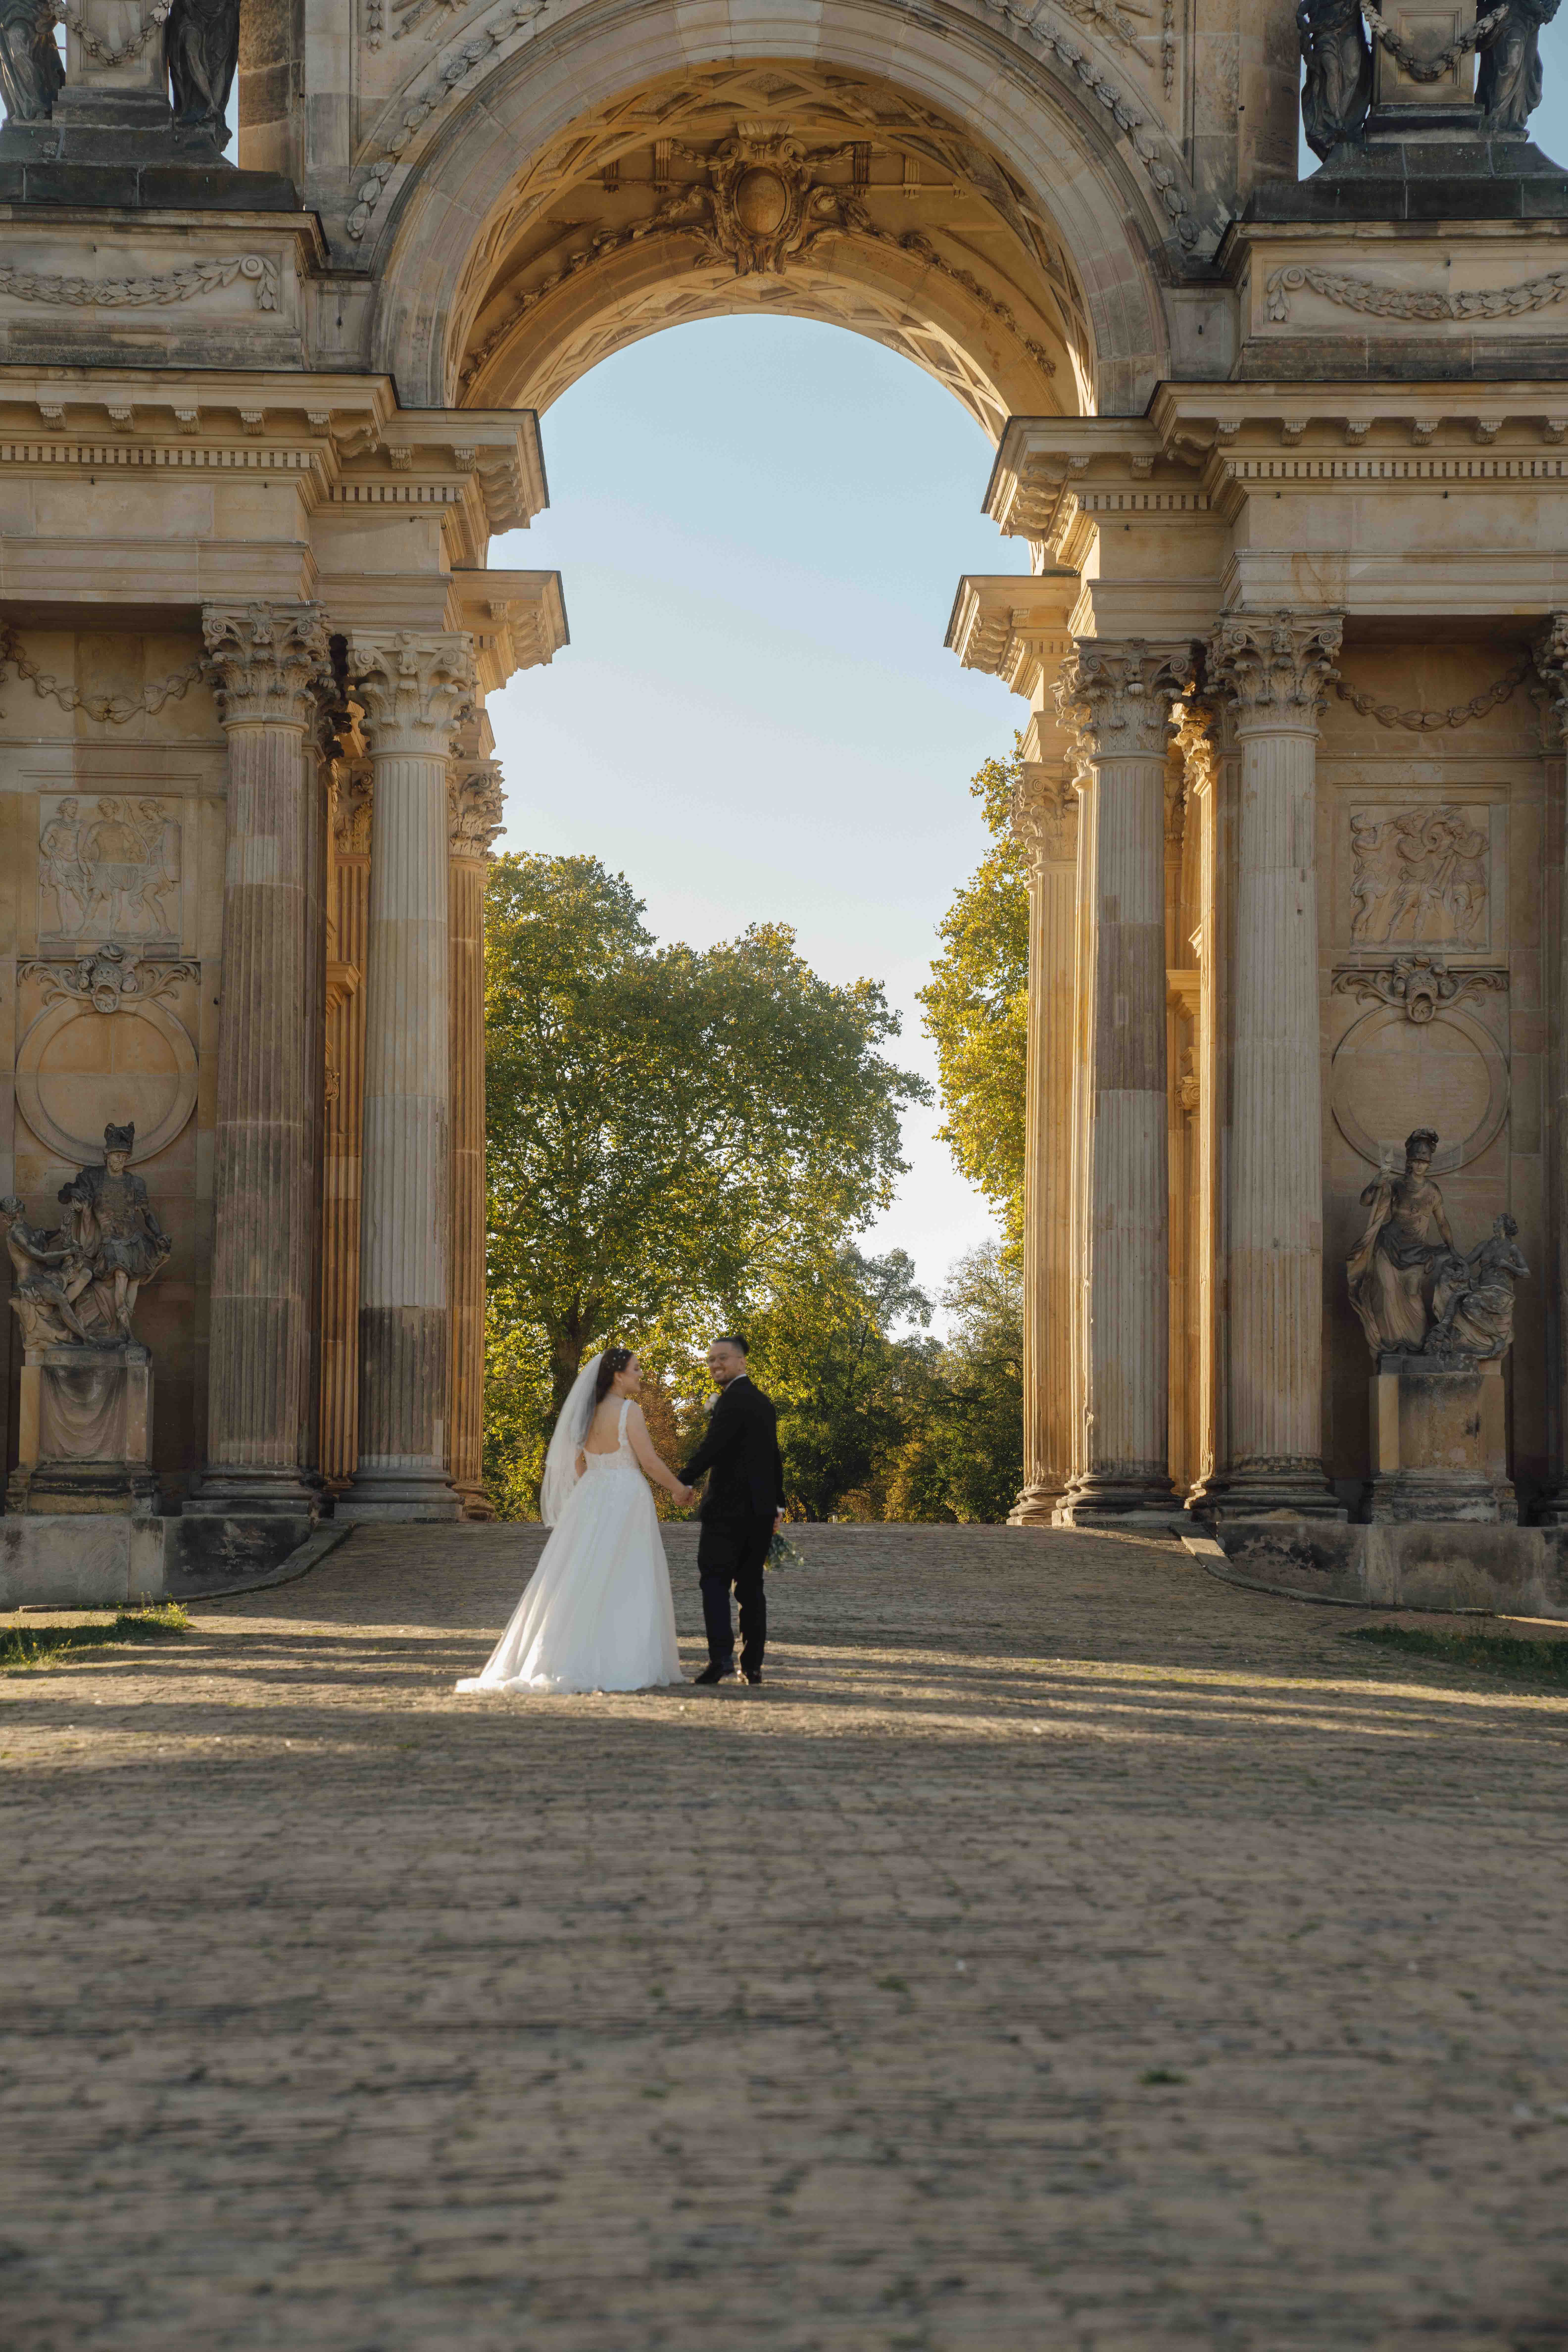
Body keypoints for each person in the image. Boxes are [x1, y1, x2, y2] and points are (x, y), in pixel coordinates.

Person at [455, 1347, 690, 1696]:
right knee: (628, 1572)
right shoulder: (629, 1411)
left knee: (578, 1573)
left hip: (592, 1495)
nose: (642, 1375)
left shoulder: (585, 1413)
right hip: (627, 1495)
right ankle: (623, 1659)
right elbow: (650, 1461)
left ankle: (567, 1654)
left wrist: (595, 1489)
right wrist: (678, 1489)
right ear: (618, 1375)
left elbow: (579, 1465)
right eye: (637, 1369)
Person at [678, 1334, 784, 1688]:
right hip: (759, 1512)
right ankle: (751, 1667)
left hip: (726, 1511)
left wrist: (683, 1481)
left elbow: (713, 1447)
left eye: (722, 1358)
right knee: (752, 1588)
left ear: (741, 1361)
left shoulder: (732, 1401)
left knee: (714, 1581)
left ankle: (721, 1659)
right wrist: (778, 1504)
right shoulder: (763, 1402)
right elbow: (774, 1457)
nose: (715, 1365)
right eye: (710, 1360)